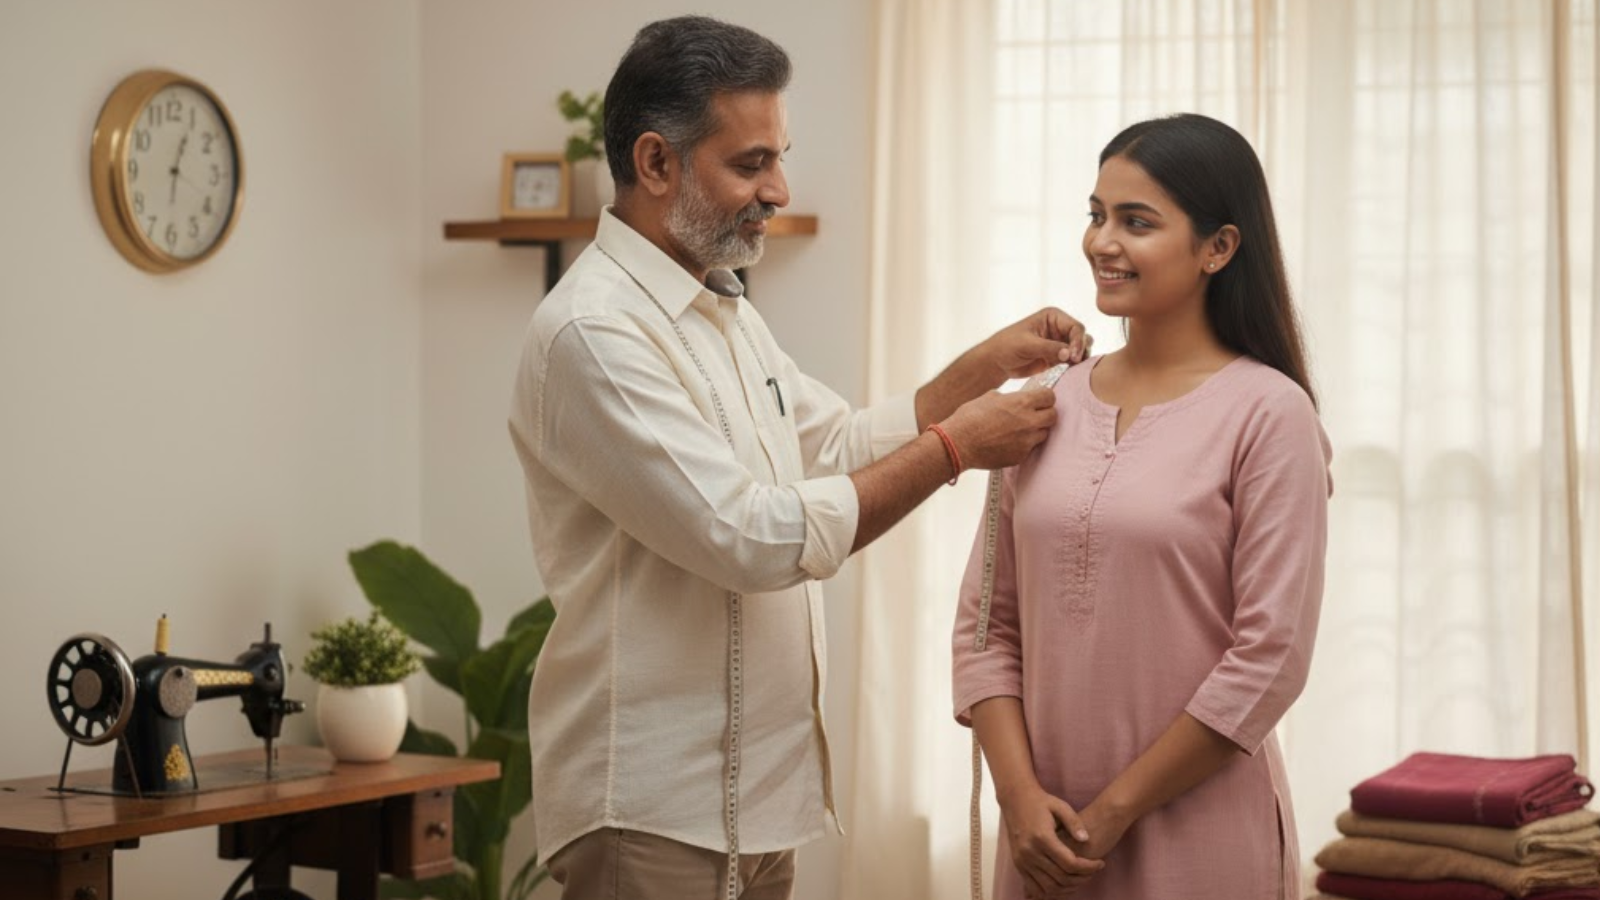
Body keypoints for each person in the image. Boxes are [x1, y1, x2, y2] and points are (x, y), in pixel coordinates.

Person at [507, 16, 1091, 900]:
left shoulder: (723, 306)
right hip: (656, 812)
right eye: (750, 163)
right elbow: (751, 538)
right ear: (657, 163)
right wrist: (957, 448)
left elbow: (836, 444)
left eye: (780, 156)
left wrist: (982, 368)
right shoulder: (594, 332)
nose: (779, 188)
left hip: (759, 803)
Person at [952, 112, 1333, 900]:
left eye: (1136, 221)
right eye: (1096, 215)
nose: (1102, 241)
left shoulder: (1271, 414)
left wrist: (1116, 811)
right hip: (1043, 845)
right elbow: (988, 627)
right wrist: (1019, 801)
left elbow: (1270, 660)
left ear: (1218, 248)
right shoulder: (1043, 401)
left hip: (1199, 839)